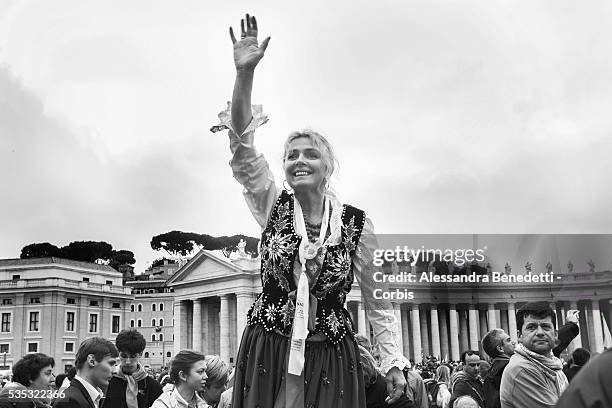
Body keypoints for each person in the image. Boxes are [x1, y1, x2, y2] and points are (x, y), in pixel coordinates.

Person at [212, 13, 408, 408]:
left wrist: (392, 362)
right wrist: (244, 75)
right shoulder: (272, 204)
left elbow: (378, 301)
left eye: (310, 154)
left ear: (327, 166)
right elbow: (242, 149)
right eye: (291, 155)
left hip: (332, 354)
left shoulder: (356, 223)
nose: (299, 161)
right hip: (270, 349)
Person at [499, 302, 568, 408]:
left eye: (546, 327)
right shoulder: (521, 369)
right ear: (519, 336)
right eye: (531, 327)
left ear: (555, 335)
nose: (540, 332)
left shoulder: (553, 366)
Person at [52, 337, 119, 408]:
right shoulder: (70, 402)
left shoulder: (92, 398)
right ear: (92, 361)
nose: (114, 371)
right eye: (111, 364)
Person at [105, 329, 163, 408]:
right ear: (118, 353)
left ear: (140, 354)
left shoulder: (153, 386)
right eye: (124, 356)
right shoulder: (108, 382)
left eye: (133, 356)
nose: (128, 361)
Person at [482, 328, 515, 408]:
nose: (514, 342)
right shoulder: (511, 368)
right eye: (508, 340)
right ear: (500, 348)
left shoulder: (490, 373)